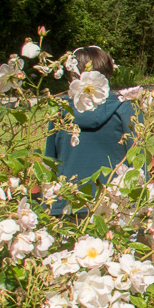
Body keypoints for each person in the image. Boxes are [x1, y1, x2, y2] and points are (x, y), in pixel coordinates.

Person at [44, 46, 136, 210]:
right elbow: (137, 158)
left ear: (73, 75)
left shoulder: (59, 108)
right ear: (108, 73)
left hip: (66, 202)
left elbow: (49, 161)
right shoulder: (124, 107)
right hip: (112, 204)